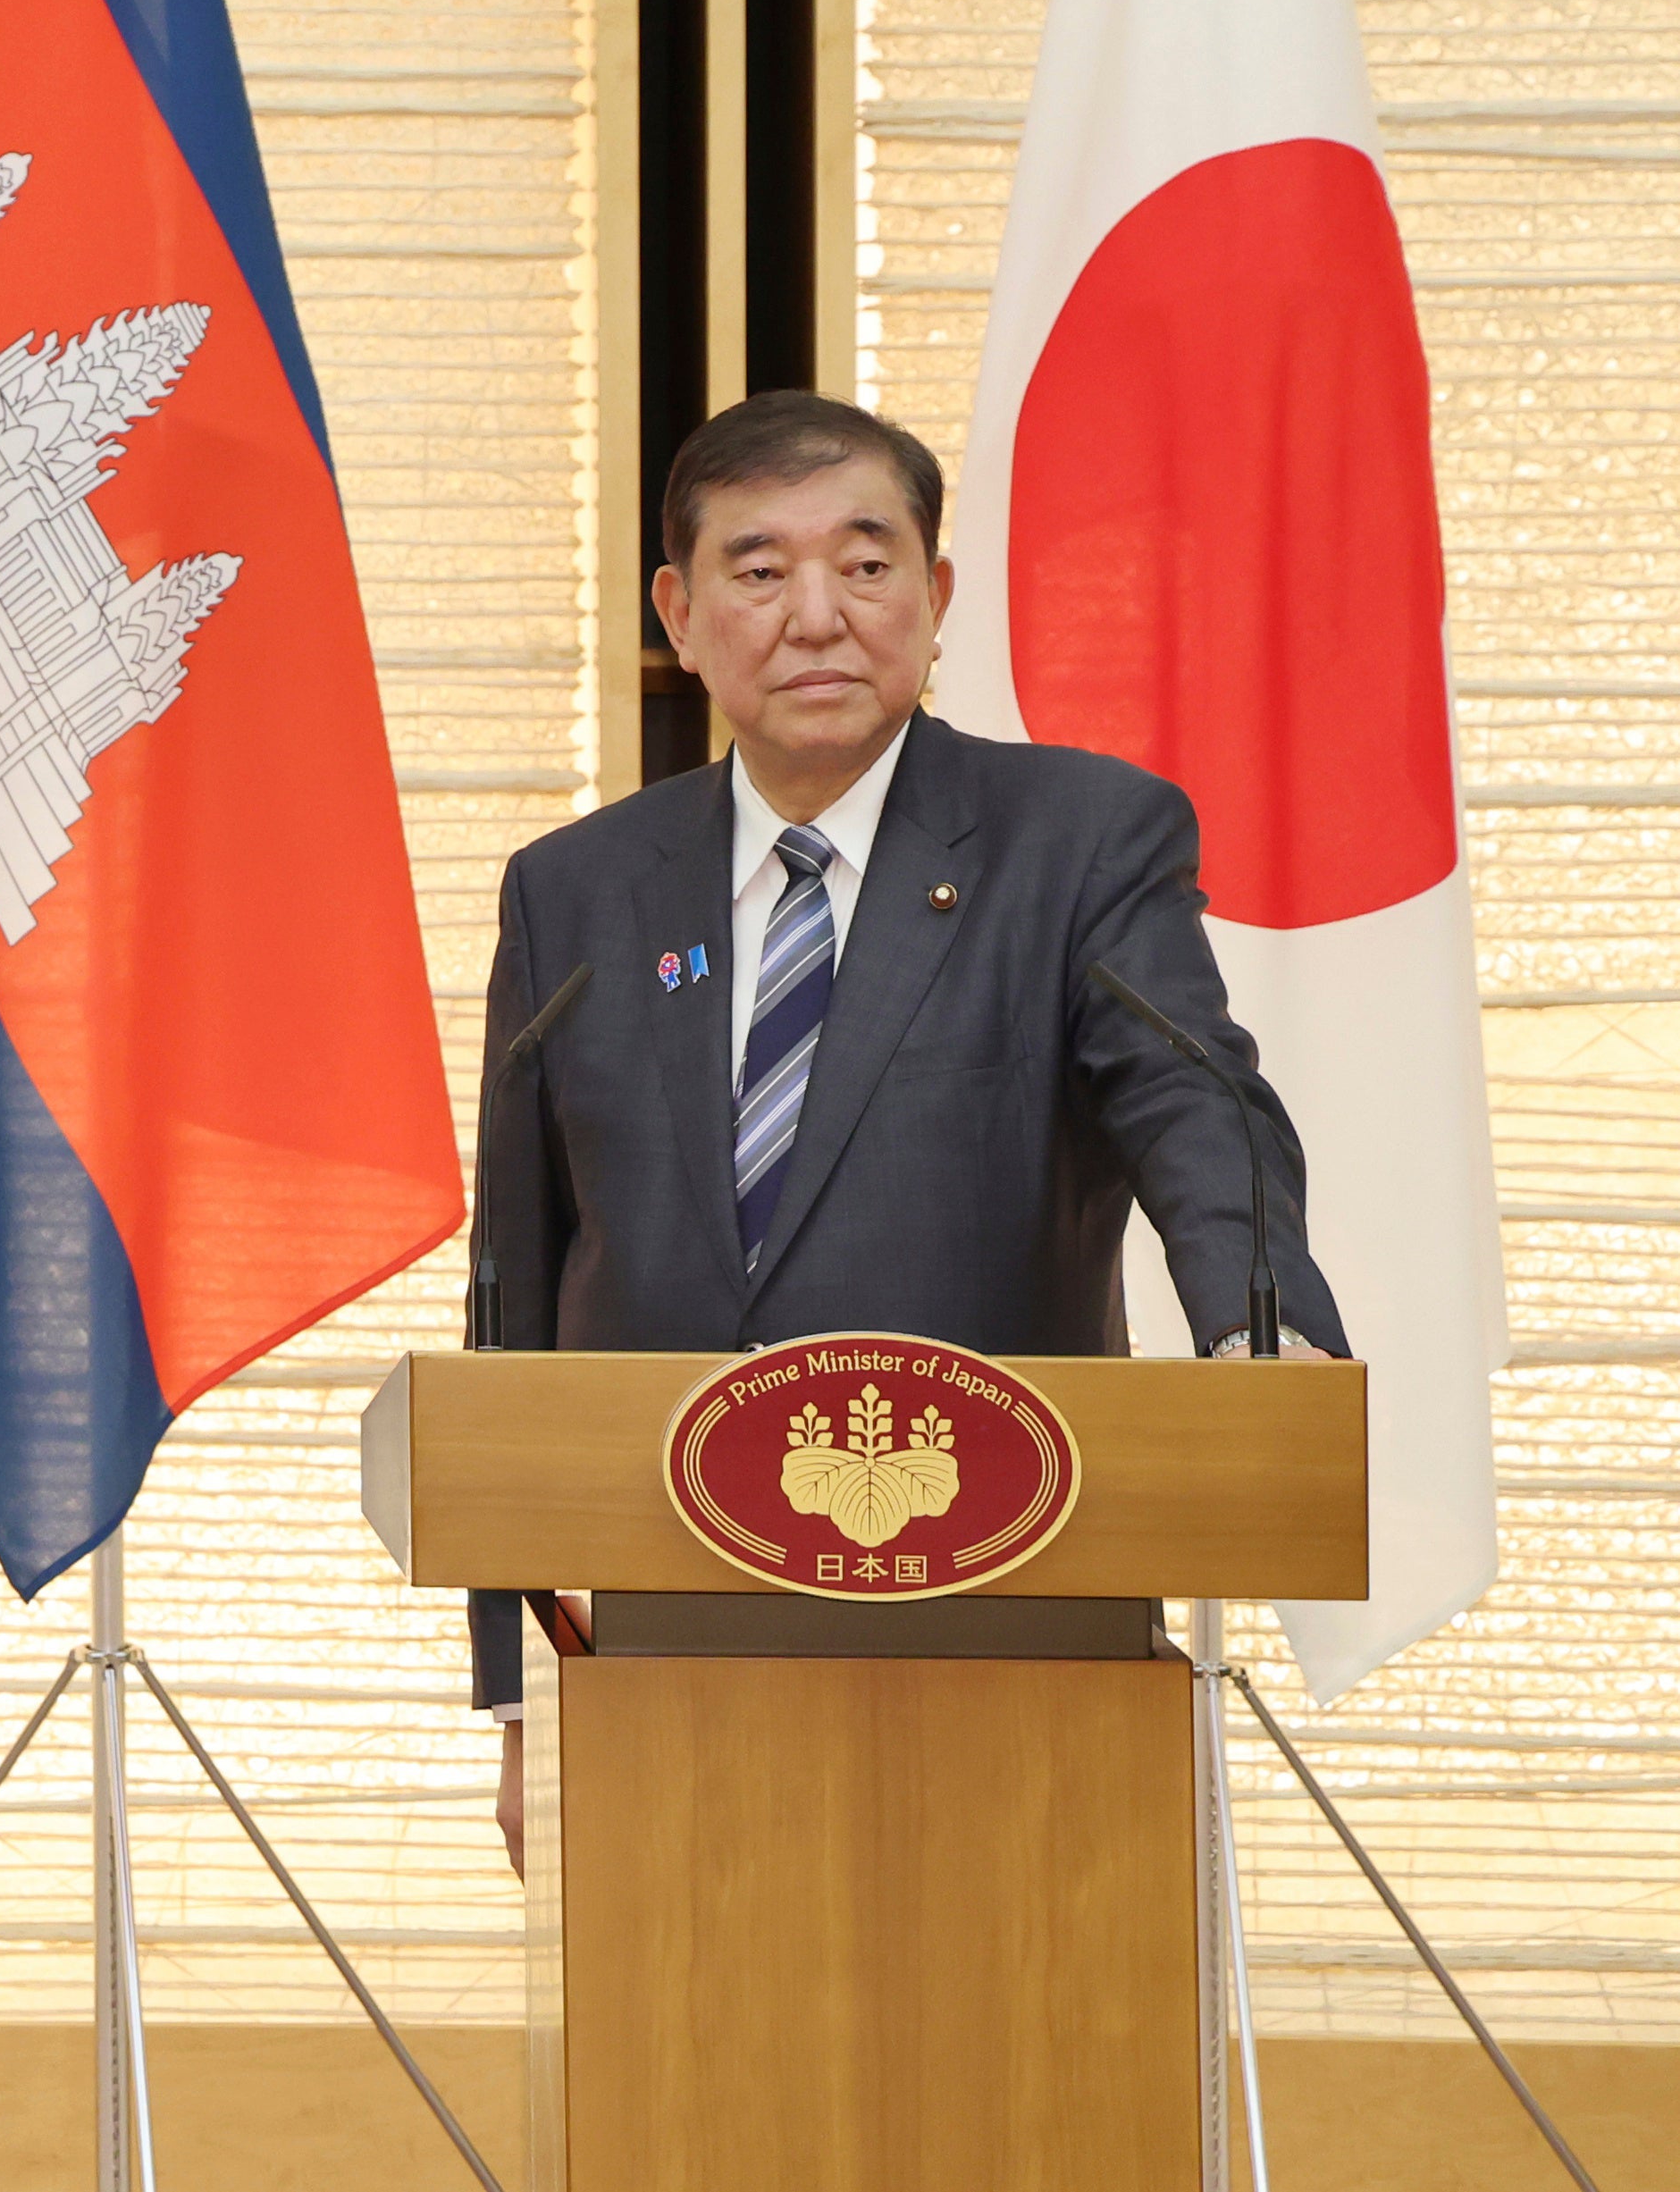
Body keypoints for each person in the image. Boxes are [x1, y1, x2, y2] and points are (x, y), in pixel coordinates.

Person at [471, 390, 1343, 1867]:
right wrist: (518, 1692)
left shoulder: (1078, 841)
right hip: (651, 1642)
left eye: (865, 564)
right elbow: (515, 1286)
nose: (816, 614)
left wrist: (1259, 1326)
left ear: (934, 597)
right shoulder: (574, 891)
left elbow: (1192, 1094)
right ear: (680, 613)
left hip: (1006, 1613)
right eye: (759, 569)